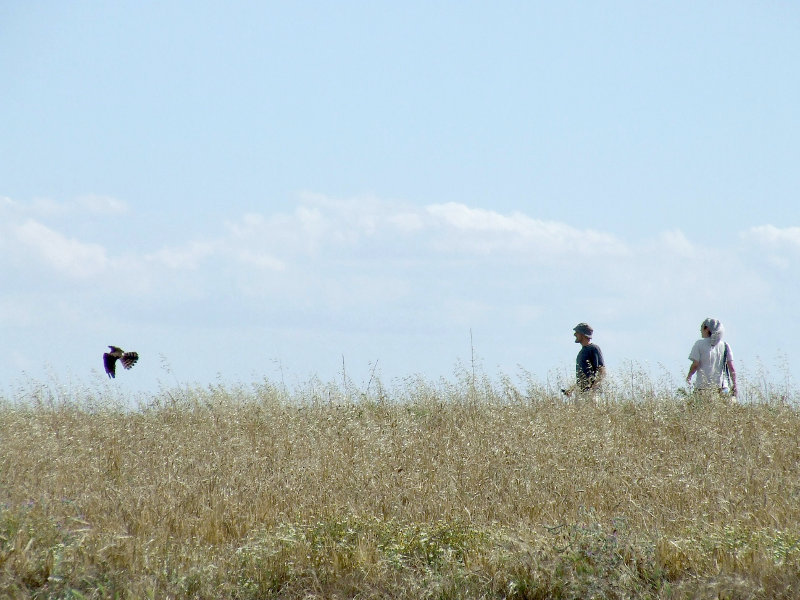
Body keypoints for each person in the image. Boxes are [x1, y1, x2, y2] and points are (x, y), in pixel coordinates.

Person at [686, 318, 738, 398]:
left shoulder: (699, 344)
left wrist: (689, 376)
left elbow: (695, 364)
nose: (700, 331)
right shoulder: (725, 346)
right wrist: (734, 385)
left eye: (702, 328)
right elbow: (731, 368)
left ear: (707, 328)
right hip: (722, 388)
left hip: (702, 388)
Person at [563, 322, 606, 397]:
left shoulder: (593, 348)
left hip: (590, 394)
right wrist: (571, 389)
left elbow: (602, 371)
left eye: (577, 332)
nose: (575, 334)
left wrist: (592, 389)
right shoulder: (582, 352)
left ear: (583, 334)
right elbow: (583, 377)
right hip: (581, 393)